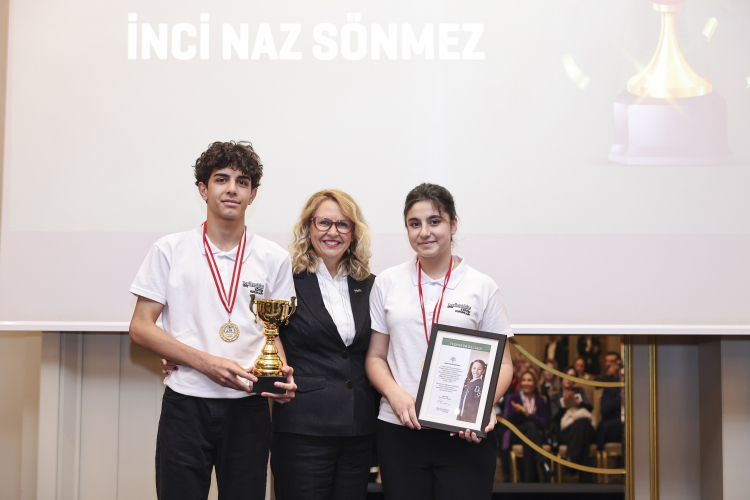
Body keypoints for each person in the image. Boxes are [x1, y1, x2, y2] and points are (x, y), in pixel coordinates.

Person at [128, 141, 297, 500]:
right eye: (222, 179)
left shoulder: (274, 258)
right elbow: (140, 327)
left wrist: (280, 374)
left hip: (249, 405)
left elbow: (272, 333)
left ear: (253, 195)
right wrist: (206, 363)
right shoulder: (170, 250)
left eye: (242, 182)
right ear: (203, 189)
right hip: (186, 403)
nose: (232, 189)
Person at [365, 183, 514, 500]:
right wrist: (395, 394)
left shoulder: (482, 286)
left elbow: (503, 364)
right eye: (414, 223)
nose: (424, 232)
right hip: (399, 428)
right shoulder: (387, 282)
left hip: (463, 433)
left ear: (453, 224)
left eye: (434, 221)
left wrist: (481, 406)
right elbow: (375, 357)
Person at [271, 190, 376, 500]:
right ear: (309, 227)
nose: (333, 232)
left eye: (343, 224)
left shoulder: (370, 284)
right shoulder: (286, 280)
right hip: (303, 428)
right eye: (324, 223)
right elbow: (264, 335)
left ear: (354, 233)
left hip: (358, 429)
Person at [502, 370, 549, 482]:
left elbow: (544, 423)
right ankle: (543, 462)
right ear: (520, 383)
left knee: (528, 437)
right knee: (530, 425)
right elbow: (506, 421)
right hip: (515, 433)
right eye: (523, 380)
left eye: (529, 380)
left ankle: (529, 482)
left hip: (533, 436)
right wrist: (517, 413)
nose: (526, 383)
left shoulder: (540, 400)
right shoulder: (513, 398)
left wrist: (527, 413)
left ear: (535, 383)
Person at [550, 367, 594, 482]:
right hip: (565, 432)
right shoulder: (555, 397)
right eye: (566, 375)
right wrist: (564, 405)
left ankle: (571, 461)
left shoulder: (580, 391)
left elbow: (590, 409)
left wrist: (577, 402)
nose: (568, 379)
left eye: (572, 376)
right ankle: (586, 482)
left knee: (582, 423)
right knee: (583, 434)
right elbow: (554, 419)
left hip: (583, 428)